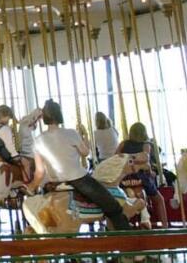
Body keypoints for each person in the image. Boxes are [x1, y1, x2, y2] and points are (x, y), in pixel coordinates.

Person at [29, 99, 132, 230]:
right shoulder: (71, 133)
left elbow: (39, 172)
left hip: (54, 183)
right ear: (59, 115)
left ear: (44, 118)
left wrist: (30, 187)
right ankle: (127, 237)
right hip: (78, 179)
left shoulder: (38, 141)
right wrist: (85, 137)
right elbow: (85, 152)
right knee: (113, 206)